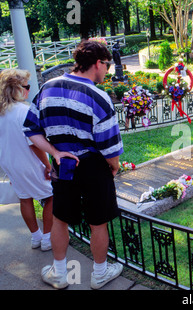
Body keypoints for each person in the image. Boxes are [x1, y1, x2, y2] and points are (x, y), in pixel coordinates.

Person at [23, 40, 124, 290]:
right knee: (97, 222)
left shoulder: (47, 88)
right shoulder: (98, 97)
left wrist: (56, 153)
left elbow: (31, 129)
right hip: (93, 166)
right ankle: (99, 274)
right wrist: (114, 166)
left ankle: (59, 273)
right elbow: (109, 146)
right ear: (98, 63)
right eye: (107, 65)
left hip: (64, 166)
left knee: (60, 219)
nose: (107, 71)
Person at [0, 69, 54, 251]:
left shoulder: (2, 112)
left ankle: (35, 236)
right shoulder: (24, 111)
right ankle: (47, 238)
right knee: (50, 196)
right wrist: (47, 165)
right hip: (28, 162)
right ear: (16, 89)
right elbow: (34, 144)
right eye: (26, 86)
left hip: (9, 162)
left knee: (25, 198)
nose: (28, 90)